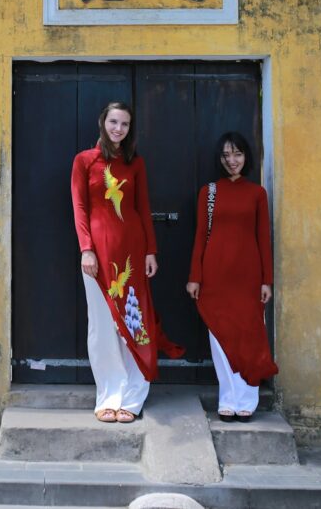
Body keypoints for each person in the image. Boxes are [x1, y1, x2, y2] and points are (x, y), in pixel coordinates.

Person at [71, 101, 184, 424]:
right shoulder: (84, 161)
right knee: (103, 326)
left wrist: (151, 251)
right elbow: (80, 209)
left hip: (132, 253)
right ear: (102, 122)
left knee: (135, 322)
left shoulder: (135, 163)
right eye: (114, 122)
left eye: (124, 124)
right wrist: (86, 250)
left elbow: (142, 208)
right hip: (97, 257)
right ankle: (108, 395)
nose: (118, 129)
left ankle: (133, 395)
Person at [186, 131, 278, 422]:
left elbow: (264, 238)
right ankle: (227, 397)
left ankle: (247, 397)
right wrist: (195, 277)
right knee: (220, 337)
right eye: (226, 155)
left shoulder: (257, 194)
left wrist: (267, 280)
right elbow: (201, 237)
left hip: (248, 277)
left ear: (246, 156)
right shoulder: (209, 192)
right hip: (215, 276)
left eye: (237, 154)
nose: (232, 160)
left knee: (248, 336)